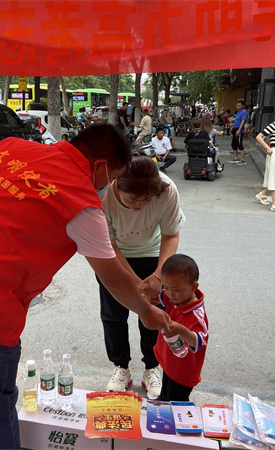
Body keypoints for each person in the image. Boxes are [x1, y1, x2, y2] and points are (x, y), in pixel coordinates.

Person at [0, 124, 171, 449]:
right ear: (100, 167)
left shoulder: (6, 148)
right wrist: (147, 312)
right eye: (112, 178)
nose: (107, 187)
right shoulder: (81, 203)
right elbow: (115, 279)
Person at [99, 154, 186, 400]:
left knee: (154, 314)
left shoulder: (167, 190)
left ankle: (152, 367)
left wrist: (158, 275)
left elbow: (171, 235)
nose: (140, 205)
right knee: (113, 315)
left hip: (153, 256)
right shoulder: (105, 197)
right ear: (118, 185)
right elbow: (109, 245)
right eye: (133, 200)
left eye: (147, 200)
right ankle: (121, 367)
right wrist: (135, 283)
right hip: (114, 256)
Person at [154, 254, 208, 401]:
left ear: (193, 287)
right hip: (170, 362)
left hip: (183, 372)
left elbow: (199, 341)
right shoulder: (176, 298)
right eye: (166, 287)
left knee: (176, 403)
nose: (170, 294)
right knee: (165, 396)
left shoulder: (196, 313)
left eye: (176, 290)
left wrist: (180, 329)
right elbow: (158, 297)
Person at [230, 100, 248, 165]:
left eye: (239, 105)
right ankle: (236, 158)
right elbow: (236, 121)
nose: (238, 107)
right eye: (237, 105)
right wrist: (232, 128)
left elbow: (242, 122)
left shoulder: (244, 112)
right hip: (235, 128)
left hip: (239, 130)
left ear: (242, 106)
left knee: (239, 144)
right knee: (234, 144)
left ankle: (243, 160)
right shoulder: (238, 112)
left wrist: (239, 130)